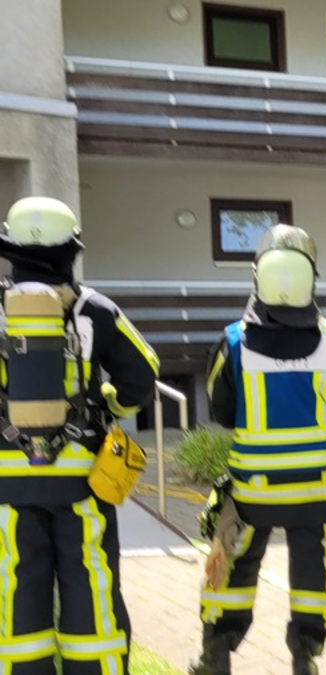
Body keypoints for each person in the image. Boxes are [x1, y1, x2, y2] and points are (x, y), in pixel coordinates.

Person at [191, 225, 326, 675]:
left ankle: (216, 655)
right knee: (315, 574)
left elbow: (224, 412)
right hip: (320, 490)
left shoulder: (234, 341)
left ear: (258, 277)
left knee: (233, 567)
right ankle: (305, 656)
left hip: (254, 493)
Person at [0, 196, 160, 675]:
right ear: (71, 250)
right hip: (82, 483)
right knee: (90, 584)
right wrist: (107, 406)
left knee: (15, 589)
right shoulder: (96, 309)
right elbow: (143, 376)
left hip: (7, 484)